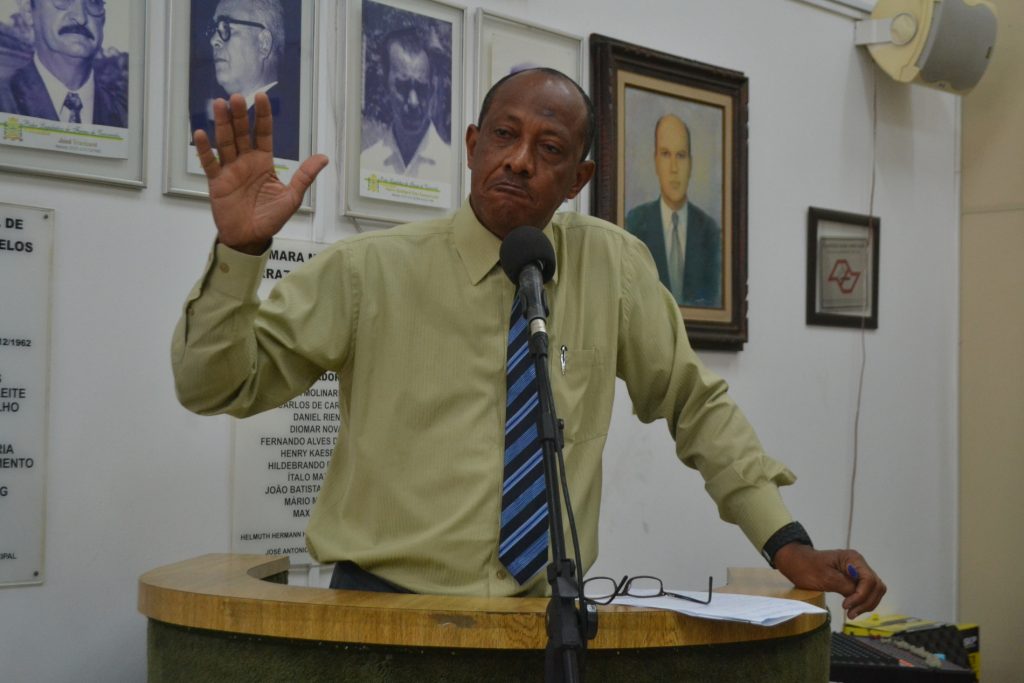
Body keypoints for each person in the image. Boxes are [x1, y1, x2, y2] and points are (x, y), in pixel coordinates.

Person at [173, 69, 886, 618]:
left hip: (547, 620)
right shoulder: (368, 272)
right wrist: (242, 252)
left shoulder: (611, 266)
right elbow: (215, 386)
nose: (518, 161)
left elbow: (694, 405)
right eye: (503, 137)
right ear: (471, 146)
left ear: (578, 178)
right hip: (383, 613)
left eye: (549, 149)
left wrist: (785, 542)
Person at [626, 114, 722, 308]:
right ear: (655, 161)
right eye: (665, 154)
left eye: (681, 155)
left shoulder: (710, 231)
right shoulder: (635, 224)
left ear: (691, 164)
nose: (674, 168)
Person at [195, 0, 298, 160]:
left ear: (263, 43)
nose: (213, 40)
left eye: (226, 26)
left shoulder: (287, 129)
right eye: (215, 29)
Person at [0, 0, 127, 127]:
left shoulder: (126, 118)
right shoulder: (4, 102)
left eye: (93, 2)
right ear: (28, 11)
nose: (80, 18)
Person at [359, 27, 450, 183]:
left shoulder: (450, 168)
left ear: (432, 90)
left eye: (421, 88)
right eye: (402, 86)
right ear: (386, 86)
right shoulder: (367, 164)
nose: (413, 102)